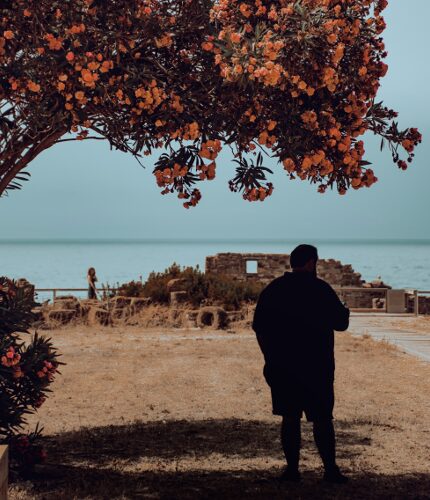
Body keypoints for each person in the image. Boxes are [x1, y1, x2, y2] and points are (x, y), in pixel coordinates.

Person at [252, 244, 350, 484]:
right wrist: (345, 311)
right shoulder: (321, 289)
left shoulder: (274, 289)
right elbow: (341, 324)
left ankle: (292, 471)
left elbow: (260, 329)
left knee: (290, 418)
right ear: (310, 263)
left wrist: (269, 359)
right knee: (322, 419)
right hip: (318, 366)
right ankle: (330, 471)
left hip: (283, 366)